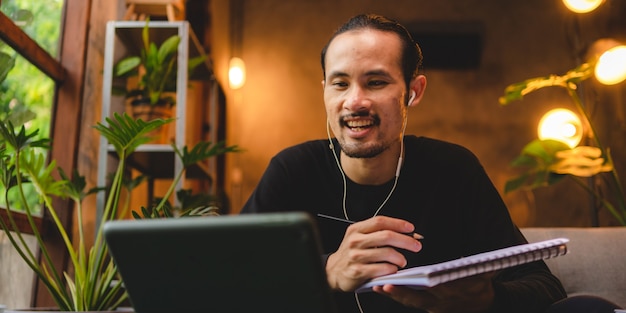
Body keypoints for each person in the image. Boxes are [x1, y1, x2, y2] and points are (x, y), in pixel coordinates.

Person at [241, 14, 621, 313]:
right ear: (324, 89)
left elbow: (542, 285)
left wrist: (485, 302)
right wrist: (327, 269)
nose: (354, 101)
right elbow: (234, 277)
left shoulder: (453, 169)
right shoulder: (293, 170)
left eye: (375, 82)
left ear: (413, 91)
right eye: (340, 83)